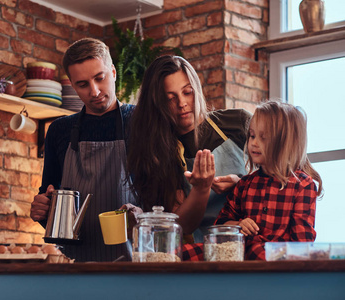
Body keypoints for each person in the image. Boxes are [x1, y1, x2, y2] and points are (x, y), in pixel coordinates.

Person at [30, 38, 136, 262]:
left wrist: (142, 217)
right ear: (72, 84)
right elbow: (50, 201)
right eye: (82, 84)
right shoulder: (60, 130)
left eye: (100, 78)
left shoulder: (141, 122)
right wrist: (42, 209)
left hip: (135, 265)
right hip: (74, 266)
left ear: (114, 73)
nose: (95, 91)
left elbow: (167, 199)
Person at [126, 55, 251, 240]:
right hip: (202, 252)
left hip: (254, 236)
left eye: (187, 92)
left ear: (197, 89)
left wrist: (241, 184)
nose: (182, 103)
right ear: (156, 105)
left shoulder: (239, 122)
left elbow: (283, 174)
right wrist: (201, 189)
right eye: (170, 98)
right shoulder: (157, 152)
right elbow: (182, 226)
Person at [183, 100, 323, 260]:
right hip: (237, 253)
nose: (254, 143)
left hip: (277, 261)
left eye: (263, 138)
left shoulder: (304, 186)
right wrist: (239, 225)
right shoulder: (244, 184)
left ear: (284, 143)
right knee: (180, 253)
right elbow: (219, 227)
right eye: (252, 135)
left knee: (257, 251)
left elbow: (302, 245)